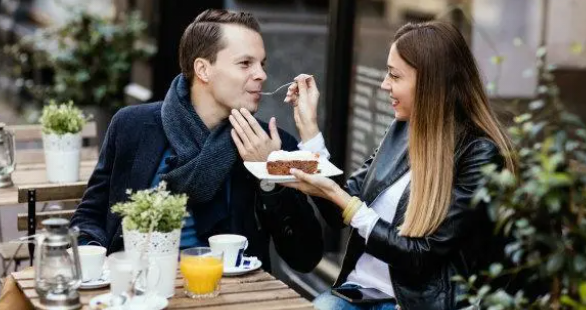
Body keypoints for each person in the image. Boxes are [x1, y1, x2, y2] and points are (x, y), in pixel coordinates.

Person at [281, 21, 517, 309]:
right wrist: (310, 132)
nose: (384, 84)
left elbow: (419, 255)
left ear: (431, 82)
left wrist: (343, 200)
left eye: (394, 75)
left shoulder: (478, 153)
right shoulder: (401, 129)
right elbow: (340, 207)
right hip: (360, 293)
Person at [70, 9, 326, 273]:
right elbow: (90, 216)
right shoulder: (133, 125)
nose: (261, 74)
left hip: (233, 295)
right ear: (203, 69)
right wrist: (92, 260)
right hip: (138, 287)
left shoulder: (271, 144)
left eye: (263, 64)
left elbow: (305, 257)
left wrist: (269, 175)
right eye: (245, 63)